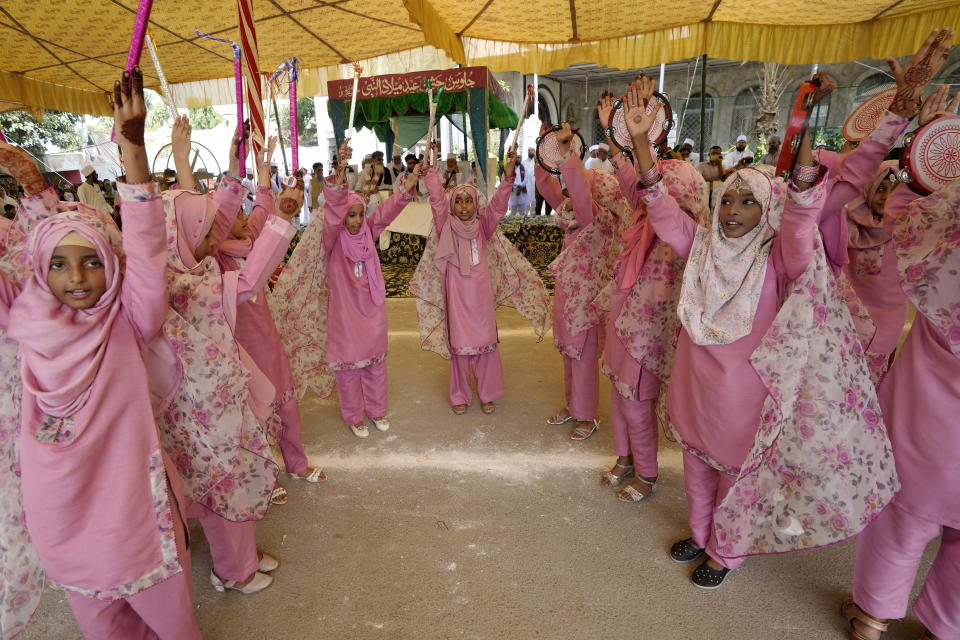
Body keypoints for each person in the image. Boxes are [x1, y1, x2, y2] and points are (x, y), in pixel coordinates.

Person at [625, 75, 897, 590]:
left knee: (736, 477)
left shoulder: (779, 257)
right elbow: (661, 211)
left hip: (744, 398)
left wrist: (801, 181)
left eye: (748, 203)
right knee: (697, 466)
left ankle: (727, 551)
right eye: (727, 201)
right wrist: (641, 143)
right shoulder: (702, 245)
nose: (732, 212)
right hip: (695, 385)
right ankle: (703, 534)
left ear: (766, 210)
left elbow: (799, 226)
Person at [0, 67, 203, 639]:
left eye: (91, 260)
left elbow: (144, 239)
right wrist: (31, 184)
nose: (79, 277)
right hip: (61, 518)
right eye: (59, 264)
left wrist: (134, 150)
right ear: (39, 272)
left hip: (133, 517)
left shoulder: (130, 315)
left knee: (174, 627)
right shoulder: (25, 316)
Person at [411, 144, 550, 414]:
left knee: (486, 344)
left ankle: (487, 393)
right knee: (460, 347)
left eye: (469, 200)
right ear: (453, 206)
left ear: (476, 204)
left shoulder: (483, 226)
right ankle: (460, 395)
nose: (463, 206)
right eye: (459, 201)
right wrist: (432, 168)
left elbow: (498, 206)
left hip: (481, 298)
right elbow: (437, 200)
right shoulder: (445, 226)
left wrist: (508, 174)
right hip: (458, 299)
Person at [536, 121, 634, 444]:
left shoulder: (596, 219)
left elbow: (578, 194)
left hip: (587, 302)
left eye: (579, 183)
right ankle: (572, 406)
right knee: (568, 354)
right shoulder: (569, 213)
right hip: (567, 299)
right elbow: (549, 187)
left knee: (584, 358)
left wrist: (567, 156)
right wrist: (543, 151)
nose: (567, 190)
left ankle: (586, 415)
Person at [323, 141, 421, 437]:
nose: (354, 221)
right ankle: (354, 416)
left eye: (358, 214)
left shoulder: (369, 231)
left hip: (372, 311)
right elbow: (331, 211)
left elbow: (388, 211)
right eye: (349, 215)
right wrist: (340, 173)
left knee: (376, 365)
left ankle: (377, 411)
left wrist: (407, 186)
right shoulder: (332, 239)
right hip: (345, 316)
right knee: (349, 370)